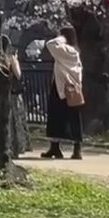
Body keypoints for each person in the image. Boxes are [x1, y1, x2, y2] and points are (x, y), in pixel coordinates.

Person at [43, 25, 85, 160]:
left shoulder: (64, 50)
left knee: (56, 117)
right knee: (73, 118)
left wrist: (61, 38)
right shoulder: (75, 52)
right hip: (73, 88)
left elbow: (50, 44)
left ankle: (55, 147)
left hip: (61, 87)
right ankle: (76, 149)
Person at [0, 35, 32, 159]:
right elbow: (18, 74)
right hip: (13, 93)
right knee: (15, 120)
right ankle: (17, 146)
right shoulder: (11, 58)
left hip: (0, 93)